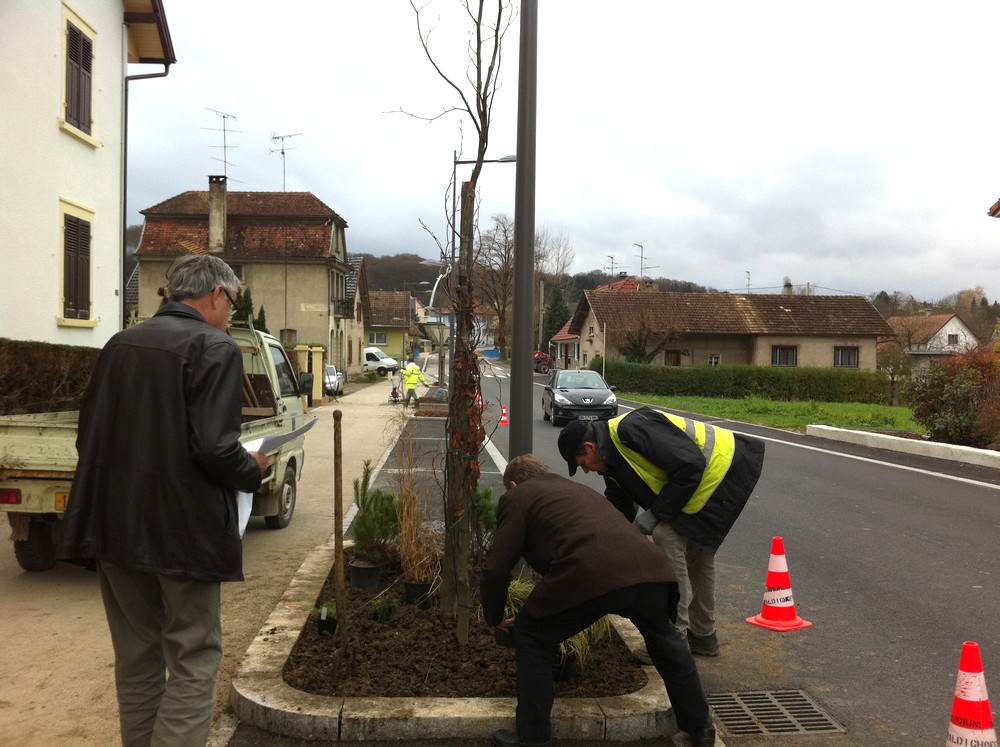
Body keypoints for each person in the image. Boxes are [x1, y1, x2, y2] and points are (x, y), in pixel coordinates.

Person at [57, 254, 269, 746]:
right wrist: (252, 468)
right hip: (184, 532)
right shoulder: (214, 347)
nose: (231, 315)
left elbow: (88, 436)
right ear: (216, 294)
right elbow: (215, 448)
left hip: (114, 525)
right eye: (232, 304)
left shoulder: (119, 343)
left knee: (137, 658)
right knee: (195, 657)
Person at [480, 455, 716, 747]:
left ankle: (533, 737)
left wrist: (494, 616)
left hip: (590, 572)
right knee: (666, 641)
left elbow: (495, 568)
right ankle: (701, 726)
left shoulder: (517, 496)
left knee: (531, 634)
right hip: (650, 568)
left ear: (514, 485)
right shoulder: (576, 490)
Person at [558, 407, 764, 658]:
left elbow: (691, 465)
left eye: (582, 464)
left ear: (590, 447)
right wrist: (599, 547)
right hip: (710, 474)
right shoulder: (611, 465)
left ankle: (673, 641)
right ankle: (703, 636)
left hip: (720, 468)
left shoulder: (629, 431)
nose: (586, 470)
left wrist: (654, 515)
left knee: (666, 535)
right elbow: (620, 512)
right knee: (699, 553)